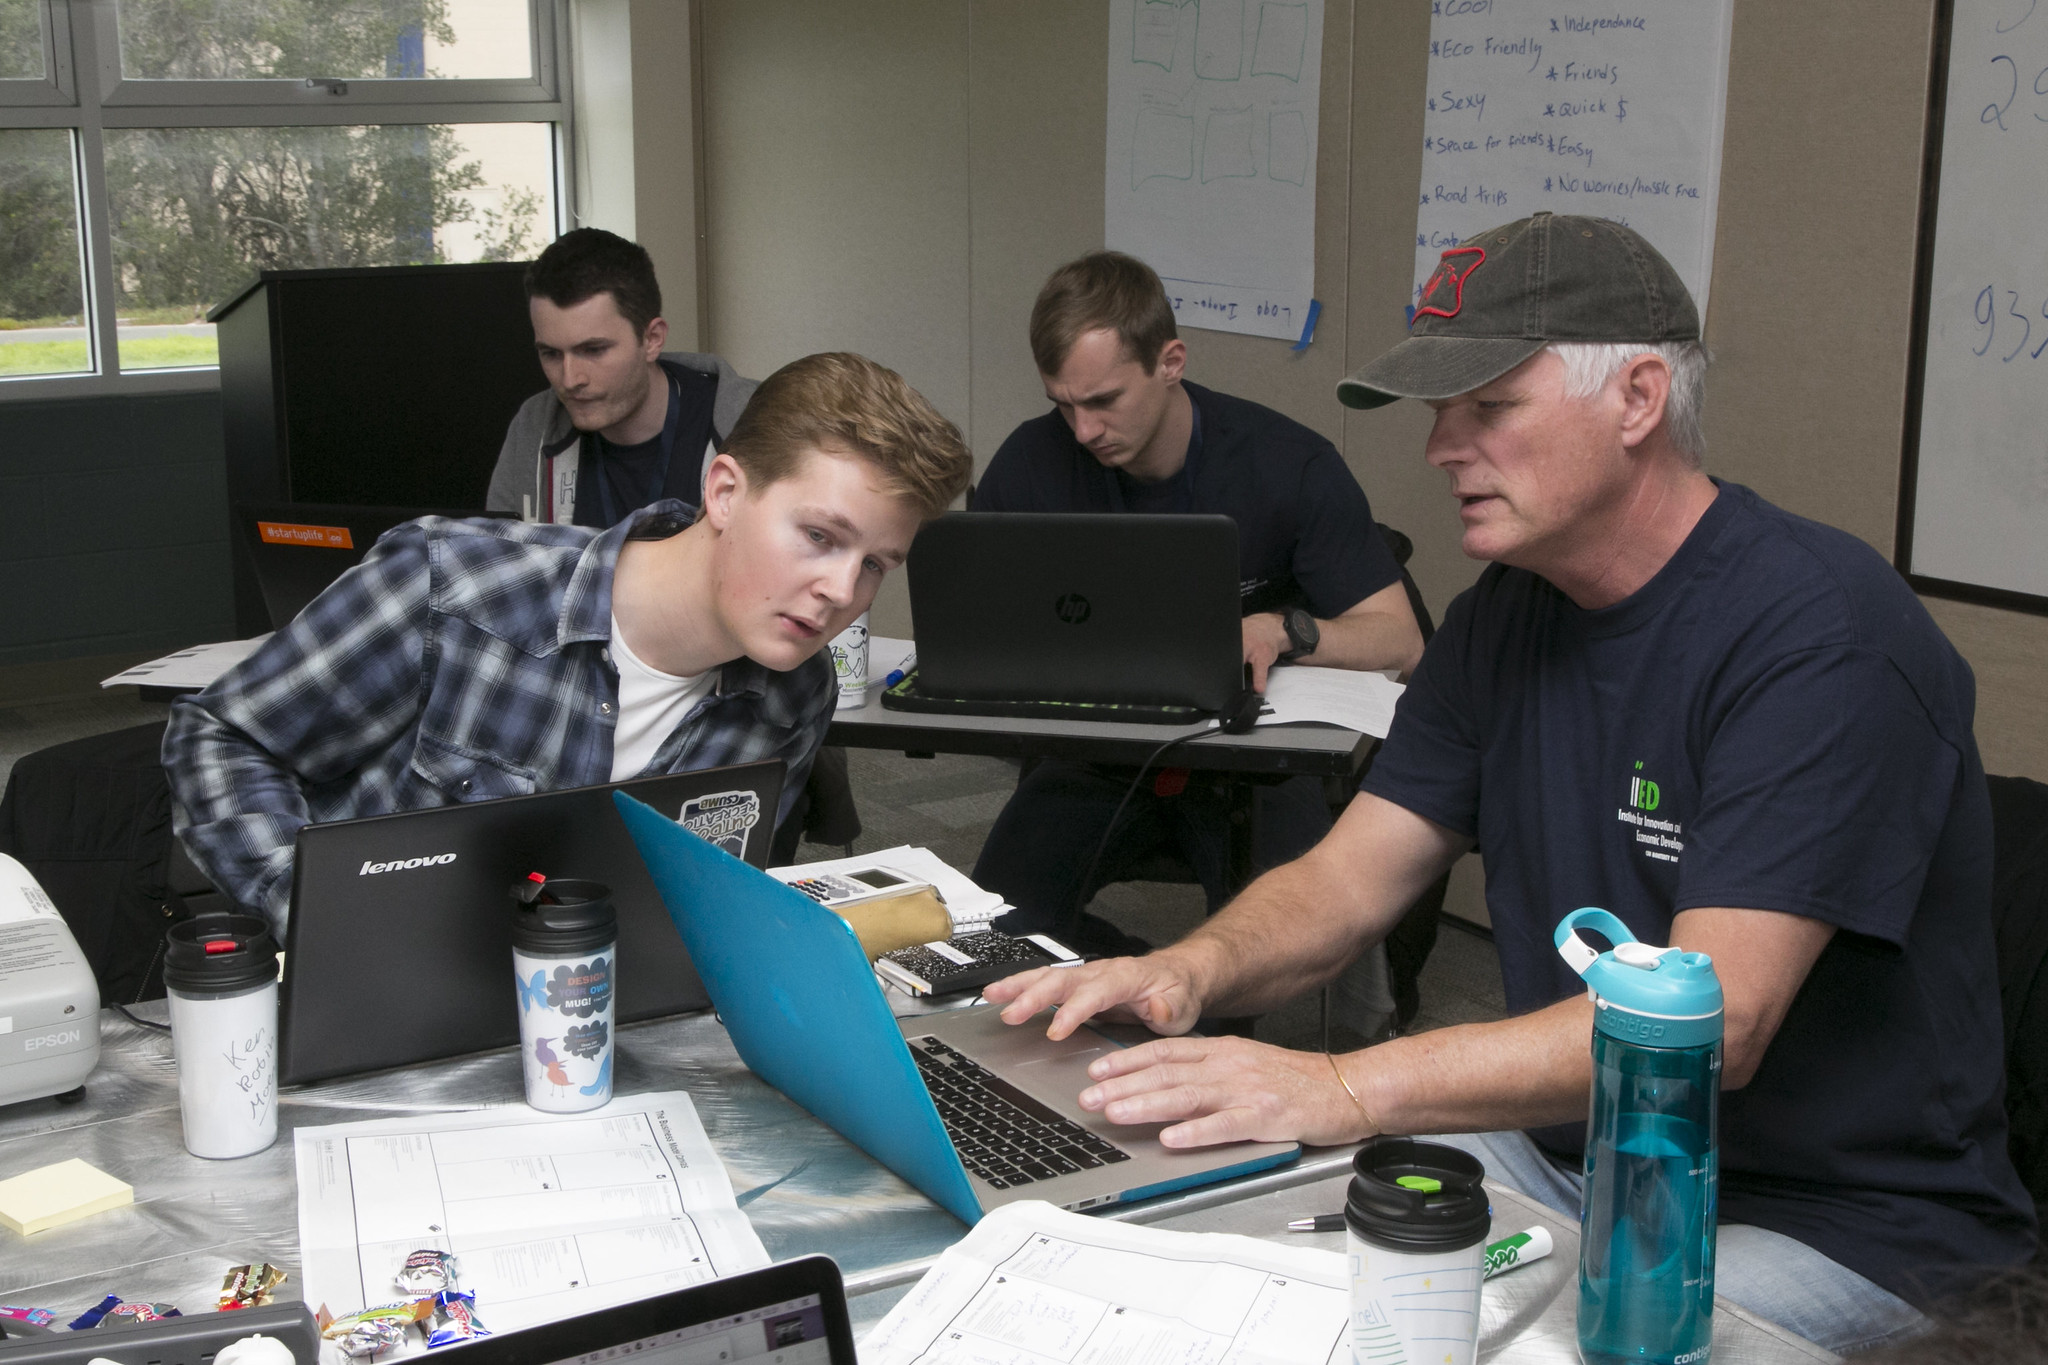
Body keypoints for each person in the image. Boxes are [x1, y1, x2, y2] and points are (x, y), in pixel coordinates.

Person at [983, 213, 2038, 1352]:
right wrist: (1188, 969)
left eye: (1487, 409)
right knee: (1203, 1263)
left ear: (1635, 399)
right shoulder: (1501, 622)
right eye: (1440, 412)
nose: (1440, 447)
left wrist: (1340, 1086)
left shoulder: (1818, 640)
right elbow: (1345, 882)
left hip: (1828, 1223)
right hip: (1561, 1153)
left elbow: (1706, 1030)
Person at [166, 352, 972, 928]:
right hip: (384, 1025)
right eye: (820, 537)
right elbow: (219, 736)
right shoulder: (455, 583)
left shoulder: (796, 689)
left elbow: (704, 912)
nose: (842, 593)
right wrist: (318, 917)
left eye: (875, 564)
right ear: (724, 491)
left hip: (592, 1033)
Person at [969, 251, 1424, 962]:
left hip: (1254, 760)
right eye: (1064, 403)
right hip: (1100, 754)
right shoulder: (1032, 462)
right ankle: (1134, 972)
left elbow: (1400, 641)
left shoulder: (1287, 465)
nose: (1083, 430)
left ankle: (1212, 1006)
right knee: (988, 933)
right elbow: (979, 621)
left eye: (1104, 401)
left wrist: (1281, 629)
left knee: (1273, 953)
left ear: (1170, 361)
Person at [485, 227, 757, 528]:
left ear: (652, 339)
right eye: (550, 354)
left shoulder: (753, 422)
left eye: (594, 350)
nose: (570, 378)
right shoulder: (534, 426)